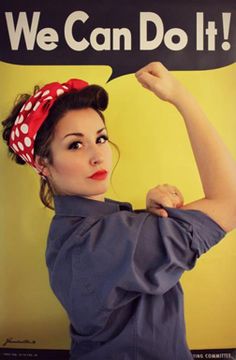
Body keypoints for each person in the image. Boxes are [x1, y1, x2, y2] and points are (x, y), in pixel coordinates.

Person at [1, 62, 236, 360]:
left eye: (100, 138)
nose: (97, 155)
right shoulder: (97, 244)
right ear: (44, 165)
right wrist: (181, 98)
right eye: (75, 145)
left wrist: (146, 215)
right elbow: (229, 203)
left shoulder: (77, 232)